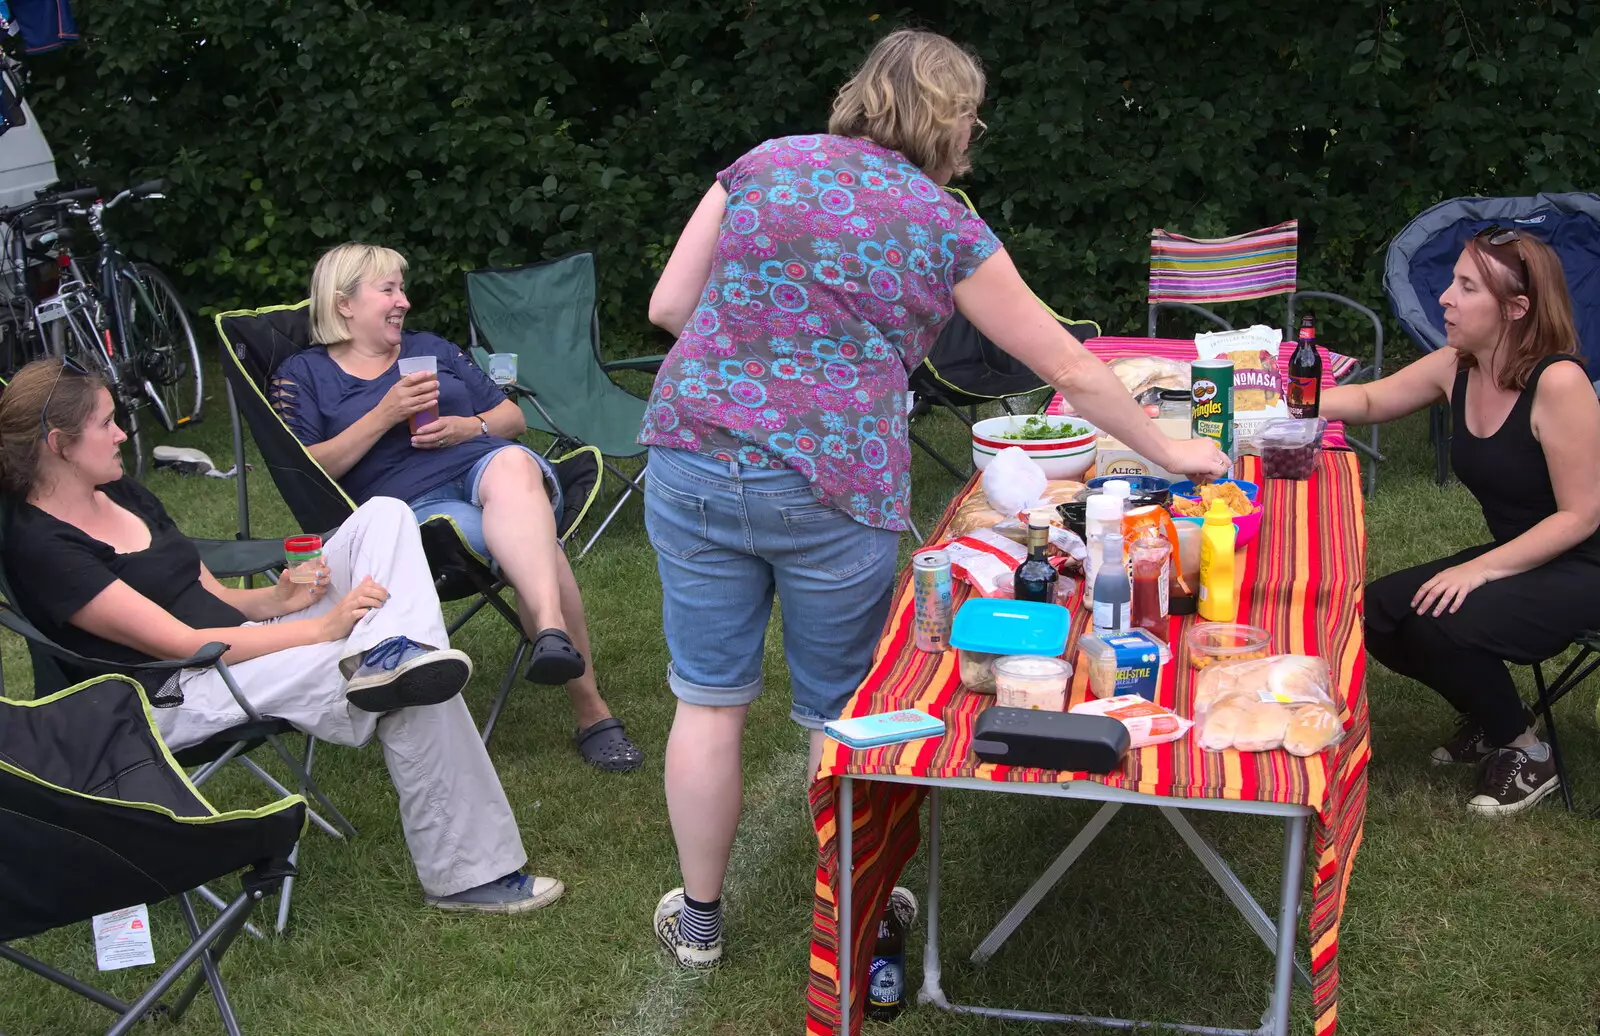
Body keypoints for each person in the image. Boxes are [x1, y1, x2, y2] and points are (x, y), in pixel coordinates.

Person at [639, 28, 1231, 967]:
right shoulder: (943, 222)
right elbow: (1067, 362)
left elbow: (669, 309)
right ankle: (861, 915)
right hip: (834, 481)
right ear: (950, 117)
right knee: (845, 709)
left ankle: (701, 919)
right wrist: (1167, 443)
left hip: (693, 454)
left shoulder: (763, 164)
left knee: (709, 701)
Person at [0, 357, 564, 912]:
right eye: (106, 423)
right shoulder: (44, 546)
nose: (122, 433)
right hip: (177, 689)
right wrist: (323, 627)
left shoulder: (119, 491)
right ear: (58, 443)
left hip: (242, 645)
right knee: (408, 681)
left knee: (385, 516)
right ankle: (468, 874)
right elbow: (179, 643)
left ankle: (392, 652)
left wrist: (278, 599)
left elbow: (209, 598)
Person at [270, 242, 641, 773]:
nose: (404, 301)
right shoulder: (303, 374)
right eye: (389, 289)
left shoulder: (432, 349)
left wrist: (472, 427)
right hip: (415, 513)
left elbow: (511, 418)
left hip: (490, 468)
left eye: (403, 288)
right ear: (344, 302)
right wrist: (383, 414)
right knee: (535, 546)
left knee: (514, 469)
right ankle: (590, 709)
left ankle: (552, 632)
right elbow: (306, 470)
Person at [1321, 228, 1600, 816]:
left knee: (1444, 615)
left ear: (1516, 309)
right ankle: (1496, 715)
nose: (1444, 296)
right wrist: (1281, 397)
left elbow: (1581, 514)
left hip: (1585, 564)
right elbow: (1371, 402)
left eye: (1466, 286)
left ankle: (1527, 753)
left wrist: (1478, 569)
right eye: (1452, 281)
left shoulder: (1559, 382)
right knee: (1382, 612)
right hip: (1531, 554)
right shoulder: (1459, 364)